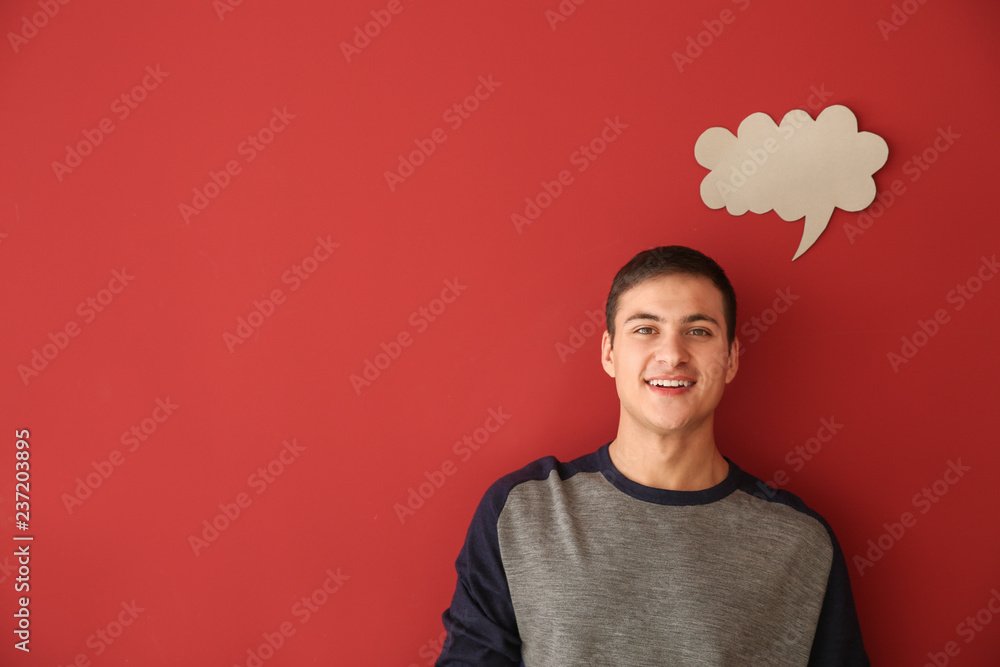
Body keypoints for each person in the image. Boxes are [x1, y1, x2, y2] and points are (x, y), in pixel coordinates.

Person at [436, 246, 869, 666]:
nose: (672, 354)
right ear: (609, 352)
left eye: (698, 331)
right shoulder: (523, 512)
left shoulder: (801, 543)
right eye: (645, 329)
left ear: (732, 357)